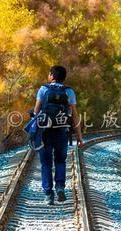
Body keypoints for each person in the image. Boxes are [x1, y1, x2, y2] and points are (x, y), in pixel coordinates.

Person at [33, 65, 83, 205]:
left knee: (46, 163)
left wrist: (33, 132)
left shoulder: (44, 89)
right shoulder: (69, 91)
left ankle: (48, 194)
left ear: (52, 76)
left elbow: (36, 112)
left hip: (45, 132)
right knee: (60, 161)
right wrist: (79, 136)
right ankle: (60, 187)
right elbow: (74, 115)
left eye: (49, 74)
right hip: (62, 131)